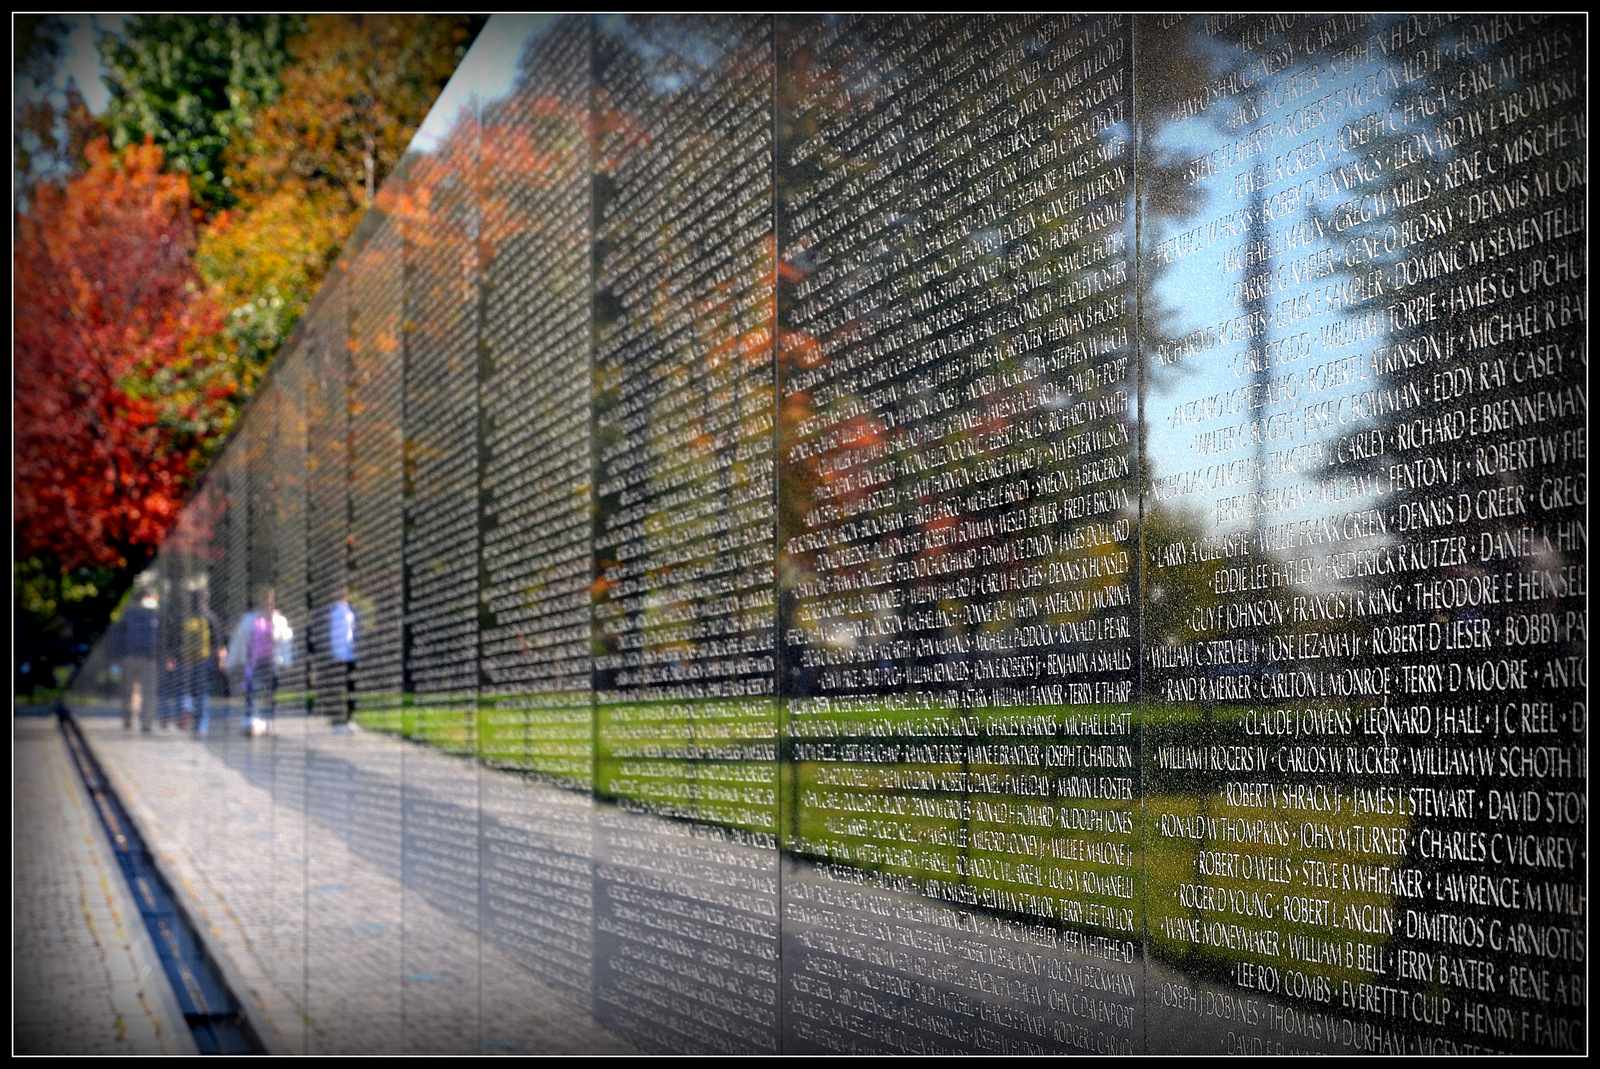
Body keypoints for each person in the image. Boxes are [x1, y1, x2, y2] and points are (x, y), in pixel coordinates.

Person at [226, 588, 293, 736]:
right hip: (254, 662)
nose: (268, 605)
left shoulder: (279, 621)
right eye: (265, 601)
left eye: (271, 602)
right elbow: (239, 641)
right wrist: (230, 661)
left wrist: (285, 661)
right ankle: (253, 722)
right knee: (253, 692)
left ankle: (269, 722)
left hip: (271, 663)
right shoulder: (249, 619)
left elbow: (285, 642)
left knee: (269, 694)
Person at [178, 583, 223, 735]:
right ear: (204, 599)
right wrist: (220, 660)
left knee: (185, 688)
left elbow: (176, 639)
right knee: (202, 693)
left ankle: (187, 707)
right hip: (204, 660)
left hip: (186, 659)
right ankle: (201, 726)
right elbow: (218, 642)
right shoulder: (210, 616)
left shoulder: (183, 616)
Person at [118, 588, 161, 732]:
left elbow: (119, 634)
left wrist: (119, 654)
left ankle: (128, 721)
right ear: (147, 596)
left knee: (128, 691)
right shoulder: (155, 612)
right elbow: (163, 634)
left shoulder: (128, 612)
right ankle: (147, 723)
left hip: (129, 656)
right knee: (148, 691)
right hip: (149, 658)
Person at [327, 588, 358, 731]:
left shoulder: (349, 611)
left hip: (349, 654)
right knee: (339, 690)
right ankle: (338, 721)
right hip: (338, 656)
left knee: (350, 688)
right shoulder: (335, 612)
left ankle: (349, 719)